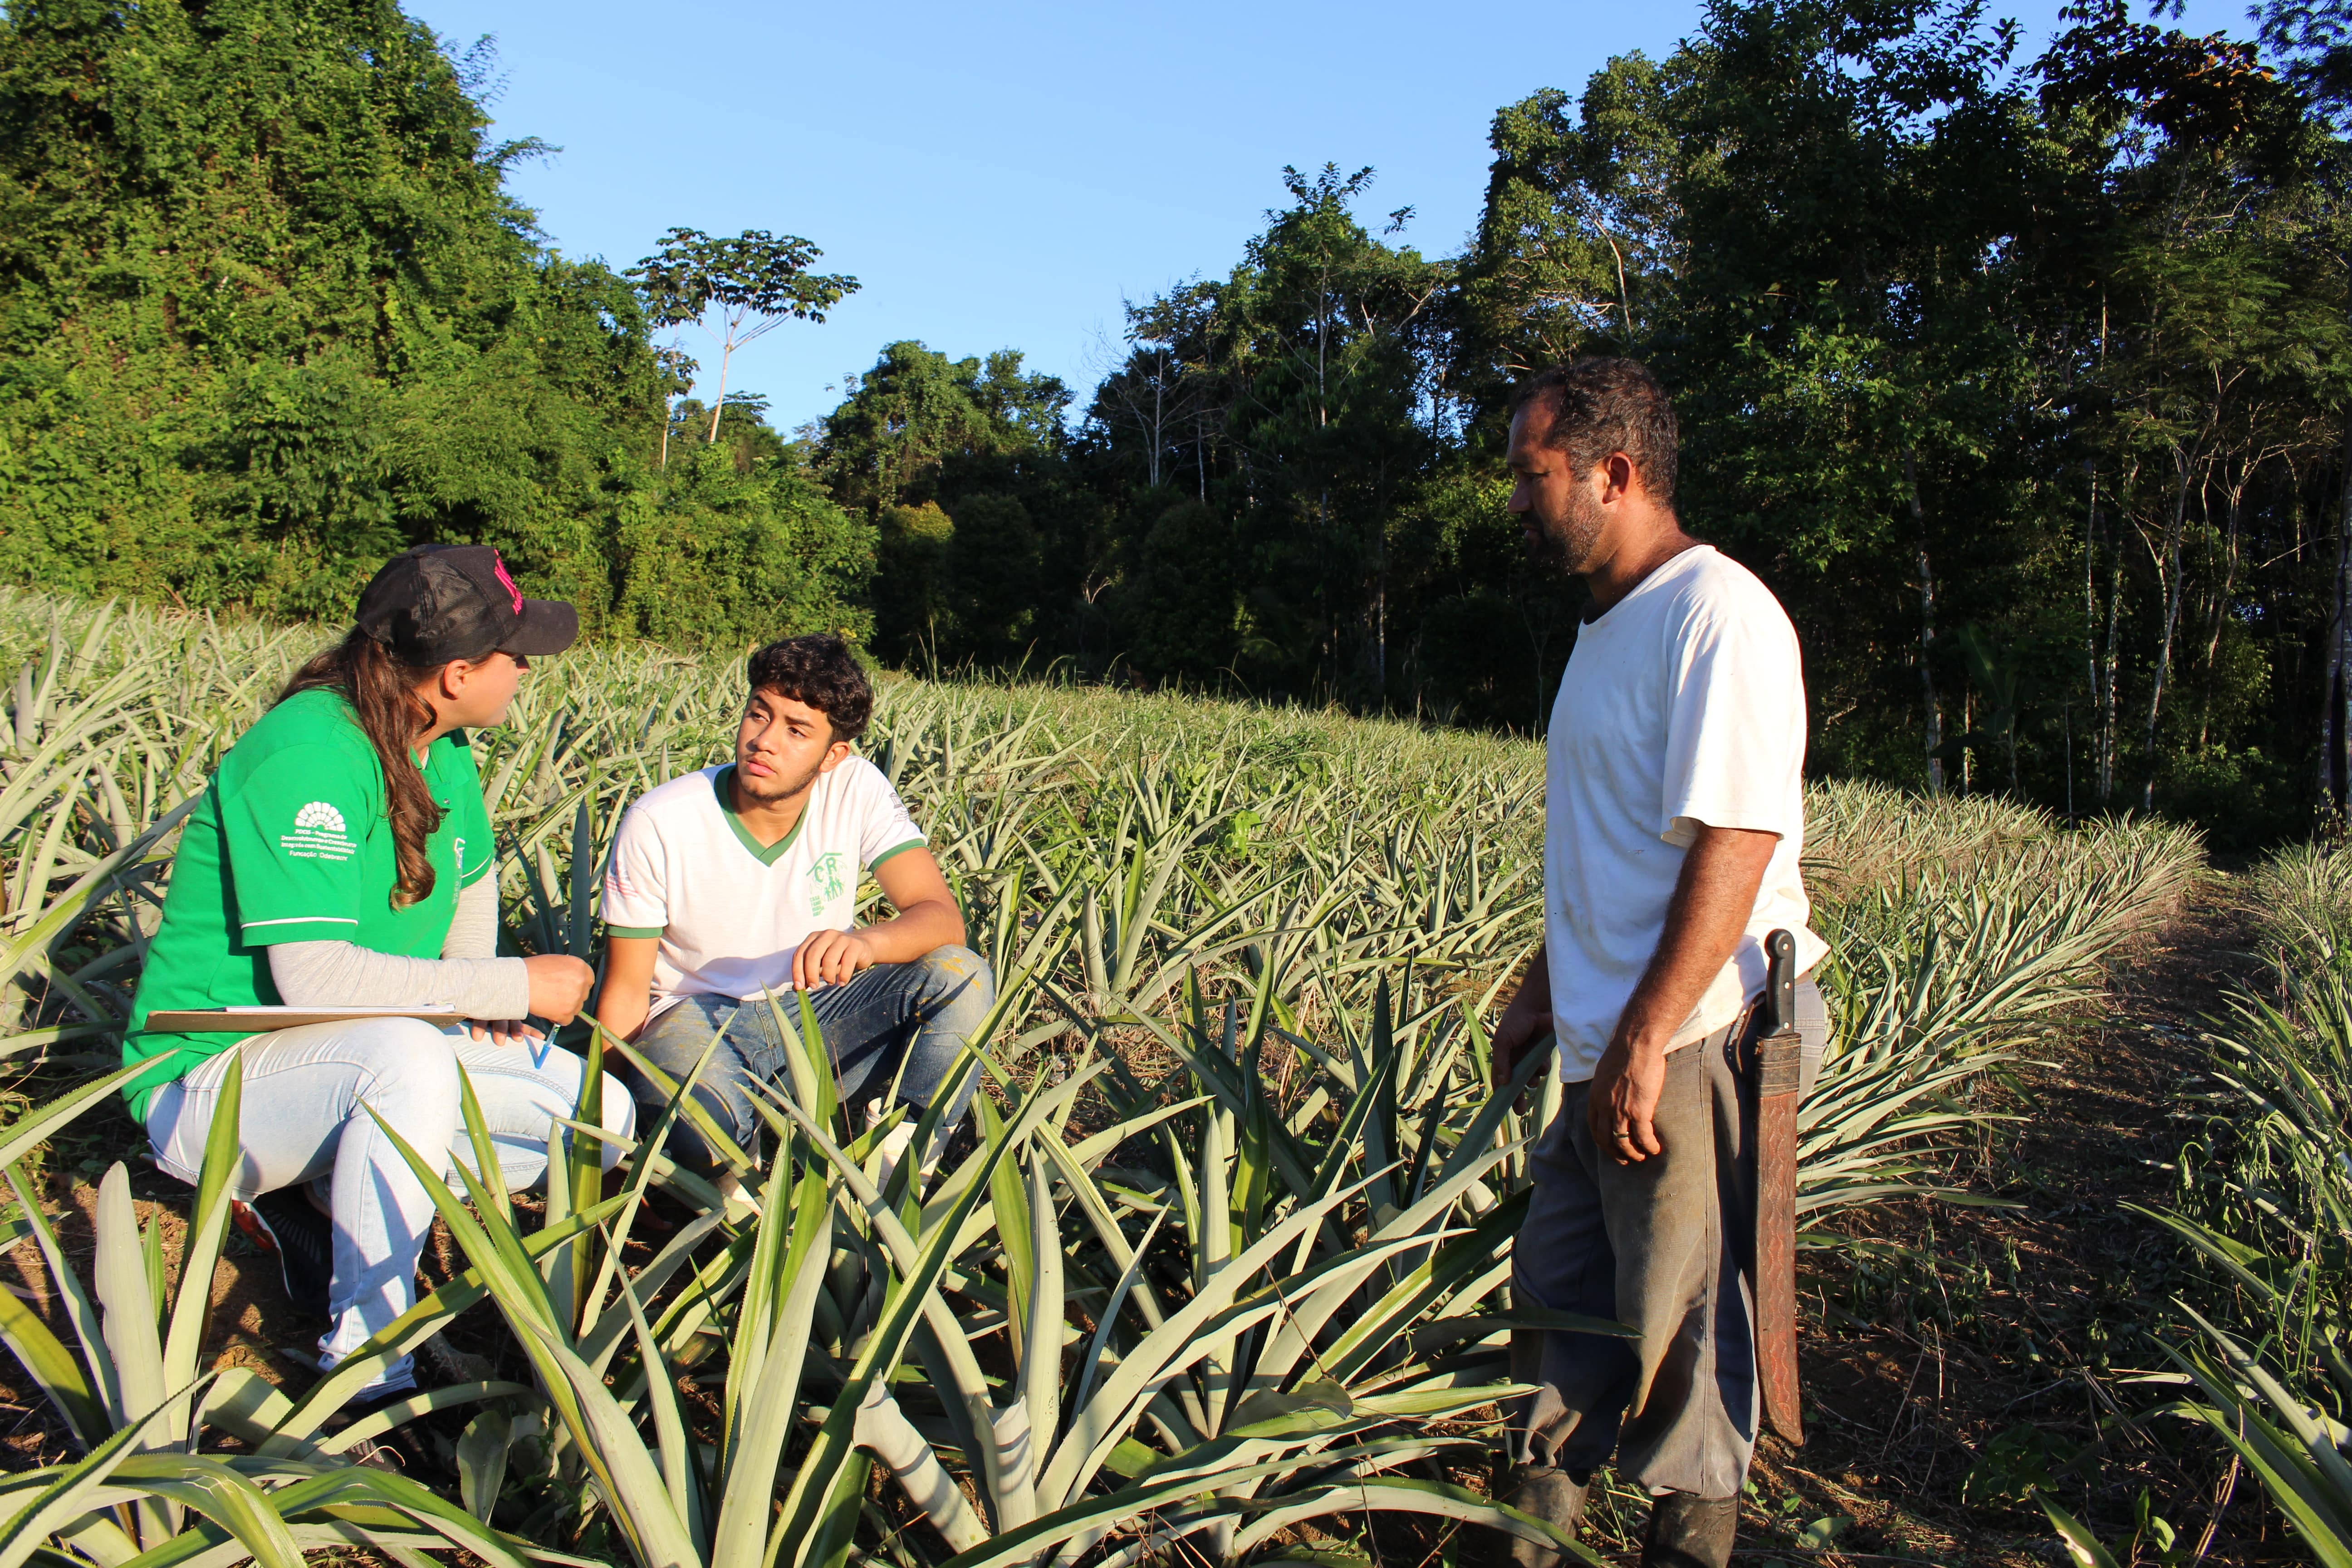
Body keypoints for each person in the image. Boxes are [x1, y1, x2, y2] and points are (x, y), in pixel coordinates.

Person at [122, 544, 634, 1406]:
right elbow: (312, 976)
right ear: (456, 673)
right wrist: (512, 989)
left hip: (353, 1055)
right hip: (209, 1080)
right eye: (515, 657)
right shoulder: (309, 752)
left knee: (598, 1117)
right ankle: (365, 1369)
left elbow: (470, 894)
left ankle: (324, 1192)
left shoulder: (445, 747)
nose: (525, 672)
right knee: (408, 1065)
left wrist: (480, 1003)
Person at [1486, 360, 1830, 1568]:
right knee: (1561, 1296)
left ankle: (1695, 1543)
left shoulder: (1716, 616)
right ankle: (1534, 1535)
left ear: (1613, 472)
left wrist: (1643, 1037)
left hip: (1693, 1032)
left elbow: (1737, 845)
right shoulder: (1611, 627)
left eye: (1536, 477)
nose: (1519, 503)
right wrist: (1544, 985)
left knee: (1687, 1328)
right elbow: (1619, 848)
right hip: (1610, 1031)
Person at [598, 634, 992, 1180]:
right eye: (759, 715)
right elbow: (625, 990)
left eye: (796, 730)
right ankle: (734, 1160)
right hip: (695, 1020)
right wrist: (606, 1137)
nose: (764, 741)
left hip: (816, 1011)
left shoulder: (857, 788)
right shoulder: (661, 821)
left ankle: (904, 1160)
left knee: (961, 975)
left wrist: (867, 942)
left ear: (834, 755)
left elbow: (942, 917)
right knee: (699, 1139)